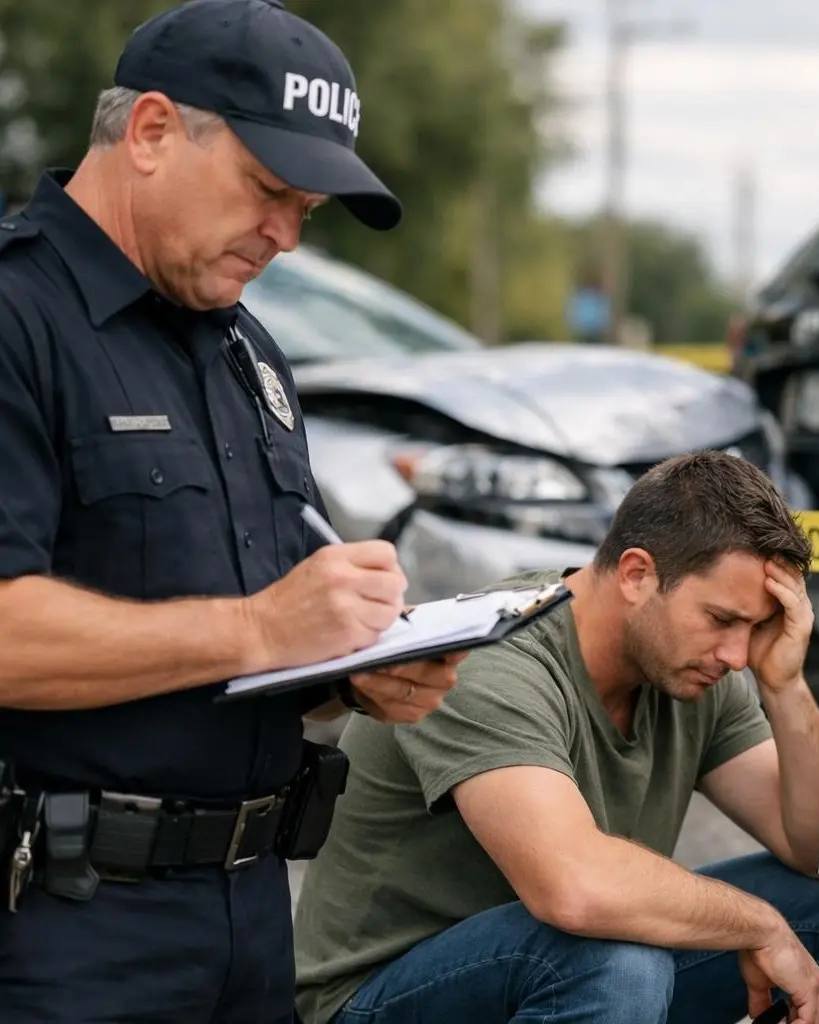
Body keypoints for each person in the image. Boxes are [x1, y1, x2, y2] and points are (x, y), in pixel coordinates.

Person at [0, 2, 464, 1021]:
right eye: (269, 190)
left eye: (308, 209)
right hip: (66, 928)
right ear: (154, 132)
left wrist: (348, 672)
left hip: (249, 915)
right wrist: (261, 624)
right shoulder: (18, 318)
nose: (287, 236)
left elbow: (230, 658)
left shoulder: (247, 354)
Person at [291, 450, 819, 1024]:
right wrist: (759, 924)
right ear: (636, 574)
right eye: (722, 620)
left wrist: (787, 686)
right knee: (613, 960)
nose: (737, 653)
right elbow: (574, 889)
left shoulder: (702, 663)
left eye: (757, 627)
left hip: (567, 973)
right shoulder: (488, 656)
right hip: (379, 995)